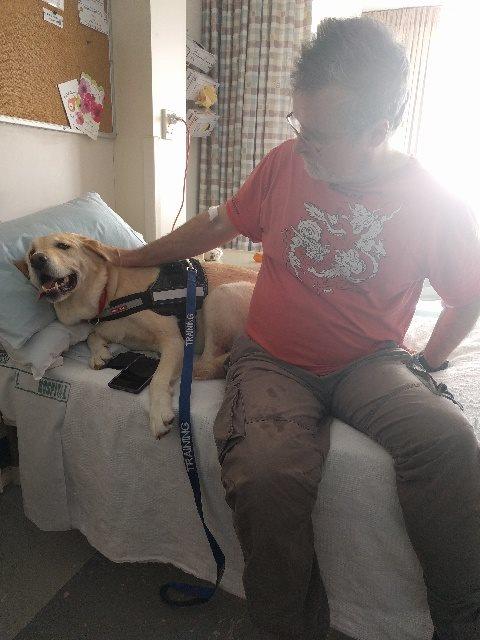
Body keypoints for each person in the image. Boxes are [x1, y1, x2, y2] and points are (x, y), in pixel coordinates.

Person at [113, 17, 480, 640]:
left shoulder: (433, 202)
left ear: (377, 132)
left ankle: (462, 623)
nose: (301, 145)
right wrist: (132, 257)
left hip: (372, 360)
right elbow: (216, 225)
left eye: (320, 136)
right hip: (272, 359)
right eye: (298, 126)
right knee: (265, 474)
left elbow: (466, 297)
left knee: (448, 443)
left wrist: (430, 360)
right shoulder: (286, 163)